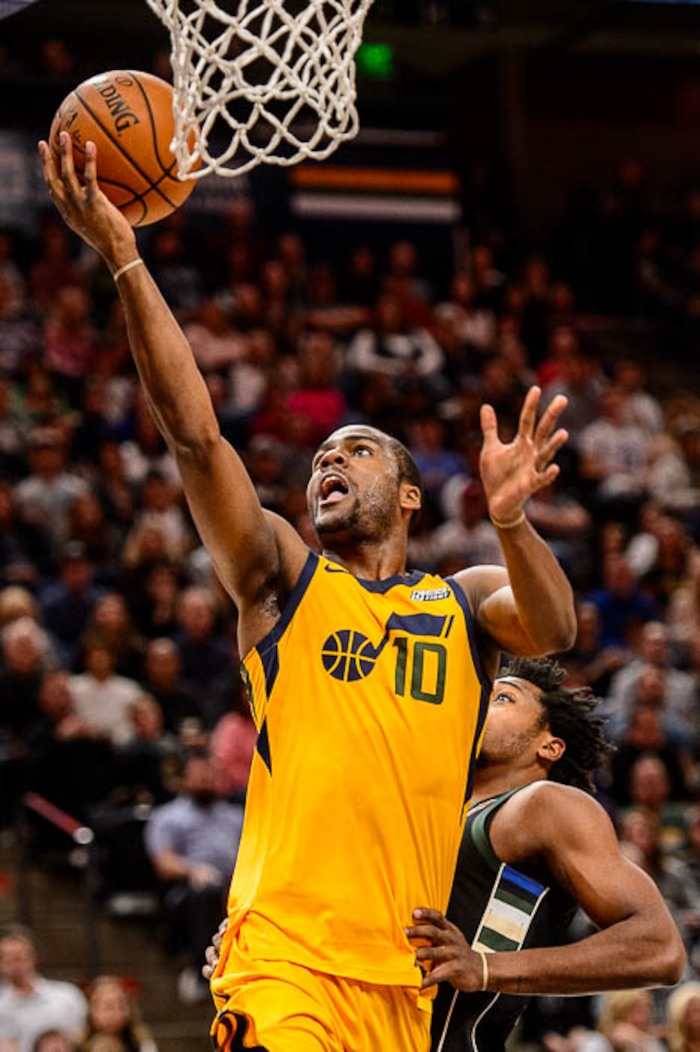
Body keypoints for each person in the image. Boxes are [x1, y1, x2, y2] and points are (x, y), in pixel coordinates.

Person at [40, 134, 577, 1052]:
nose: (329, 461)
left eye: (356, 450)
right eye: (323, 456)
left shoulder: (461, 599)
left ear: (410, 493)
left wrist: (514, 520)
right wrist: (126, 259)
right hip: (285, 957)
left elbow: (553, 627)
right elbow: (197, 440)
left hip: (400, 977)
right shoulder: (282, 577)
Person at [405, 657, 685, 1052]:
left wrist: (486, 967)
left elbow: (660, 948)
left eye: (503, 697)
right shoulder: (441, 807)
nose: (482, 701)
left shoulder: (545, 805)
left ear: (549, 746)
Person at [0, 927, 87, 1052]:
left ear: (33, 957)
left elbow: (81, 1038)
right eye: (8, 958)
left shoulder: (67, 996)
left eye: (19, 957)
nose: (15, 964)